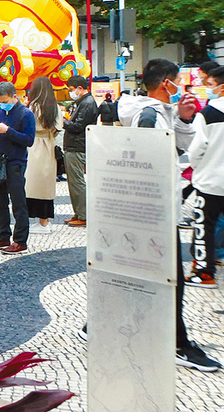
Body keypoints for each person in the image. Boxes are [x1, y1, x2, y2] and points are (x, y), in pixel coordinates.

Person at [93, 58, 220, 372]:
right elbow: (143, 164)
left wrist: (186, 119)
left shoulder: (161, 113)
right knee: (170, 279)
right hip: (154, 213)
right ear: (167, 83)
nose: (181, 87)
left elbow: (179, 147)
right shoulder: (149, 115)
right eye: (178, 80)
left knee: (134, 272)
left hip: (156, 211)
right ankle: (178, 343)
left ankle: (96, 323)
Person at [0, 81, 36, 255]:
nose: (1, 104)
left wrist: (8, 131)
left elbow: (29, 140)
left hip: (15, 161)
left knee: (18, 201)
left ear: (15, 97)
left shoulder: (26, 114)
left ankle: (20, 240)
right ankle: (3, 236)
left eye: (4, 100)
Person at [186, 64, 224, 289]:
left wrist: (196, 167)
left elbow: (196, 149)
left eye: (210, 85)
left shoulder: (208, 113)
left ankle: (204, 273)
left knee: (204, 227)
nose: (208, 89)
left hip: (211, 181)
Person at [24, 77, 62, 234]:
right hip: (49, 145)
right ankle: (44, 221)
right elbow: (59, 127)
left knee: (31, 184)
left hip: (33, 145)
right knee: (45, 186)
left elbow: (26, 125)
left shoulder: (33, 106)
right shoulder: (55, 107)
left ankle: (33, 220)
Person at [62, 75, 98, 227]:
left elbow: (78, 126)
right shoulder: (83, 102)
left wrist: (62, 121)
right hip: (74, 145)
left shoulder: (88, 103)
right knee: (73, 182)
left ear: (80, 88)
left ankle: (83, 215)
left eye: (72, 90)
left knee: (77, 182)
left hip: (78, 146)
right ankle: (78, 213)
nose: (71, 92)